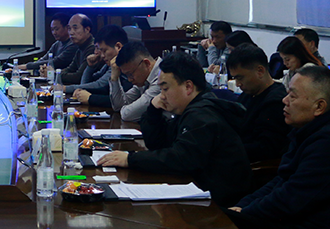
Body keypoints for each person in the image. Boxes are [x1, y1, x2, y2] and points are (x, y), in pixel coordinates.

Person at [229, 67, 330, 229]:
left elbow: (291, 199)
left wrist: (245, 214)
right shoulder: (309, 130)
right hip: (297, 221)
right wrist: (243, 207)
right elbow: (283, 179)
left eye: (293, 96)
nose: (284, 100)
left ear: (319, 106)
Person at [98, 52, 251, 207]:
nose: (162, 96)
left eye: (165, 89)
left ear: (188, 87)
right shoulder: (189, 110)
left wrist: (130, 159)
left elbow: (179, 159)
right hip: (200, 193)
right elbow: (158, 144)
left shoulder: (202, 116)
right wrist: (153, 110)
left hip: (218, 205)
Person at [226, 43, 289, 162]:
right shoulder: (248, 94)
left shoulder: (275, 103)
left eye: (240, 78)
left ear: (260, 71)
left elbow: (265, 149)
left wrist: (225, 149)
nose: (238, 84)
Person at [66, 25, 131, 107]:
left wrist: (90, 98)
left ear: (118, 47)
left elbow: (100, 86)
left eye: (104, 50)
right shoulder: (109, 65)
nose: (102, 55)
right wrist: (90, 67)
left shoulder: (128, 67)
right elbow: (89, 85)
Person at [106, 41, 162, 122]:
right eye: (127, 75)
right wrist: (114, 78)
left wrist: (126, 108)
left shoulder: (162, 78)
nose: (129, 79)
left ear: (146, 64)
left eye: (130, 74)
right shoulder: (144, 79)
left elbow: (128, 114)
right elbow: (119, 106)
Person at [54, 14, 95, 86]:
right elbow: (70, 69)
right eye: (69, 29)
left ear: (87, 29)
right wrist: (55, 73)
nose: (71, 32)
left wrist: (55, 74)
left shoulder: (92, 48)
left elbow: (78, 77)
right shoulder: (80, 47)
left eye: (75, 28)